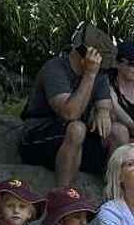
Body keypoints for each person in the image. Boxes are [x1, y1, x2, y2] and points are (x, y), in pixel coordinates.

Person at [18, 25, 121, 187]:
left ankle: (115, 192)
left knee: (119, 131)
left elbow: (110, 113)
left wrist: (103, 111)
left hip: (76, 139)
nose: (102, 68)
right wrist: (89, 74)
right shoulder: (55, 69)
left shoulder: (100, 75)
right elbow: (69, 114)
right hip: (38, 138)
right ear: (85, 58)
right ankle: (63, 195)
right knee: (77, 128)